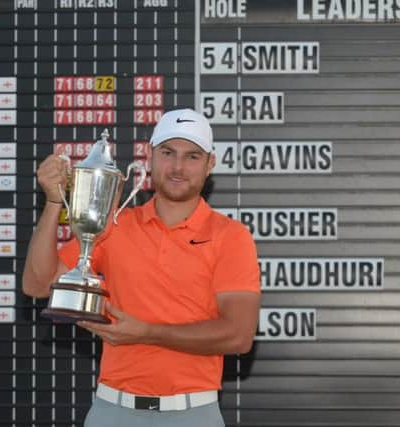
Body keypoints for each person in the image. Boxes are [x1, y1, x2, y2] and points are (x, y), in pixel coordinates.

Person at [22, 108, 261, 427]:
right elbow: (37, 285)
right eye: (167, 153)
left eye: (192, 156)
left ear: (209, 165)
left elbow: (238, 335)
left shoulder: (231, 236)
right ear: (149, 157)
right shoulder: (115, 224)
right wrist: (53, 202)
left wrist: (146, 333)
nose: (178, 167)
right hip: (112, 410)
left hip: (194, 414)